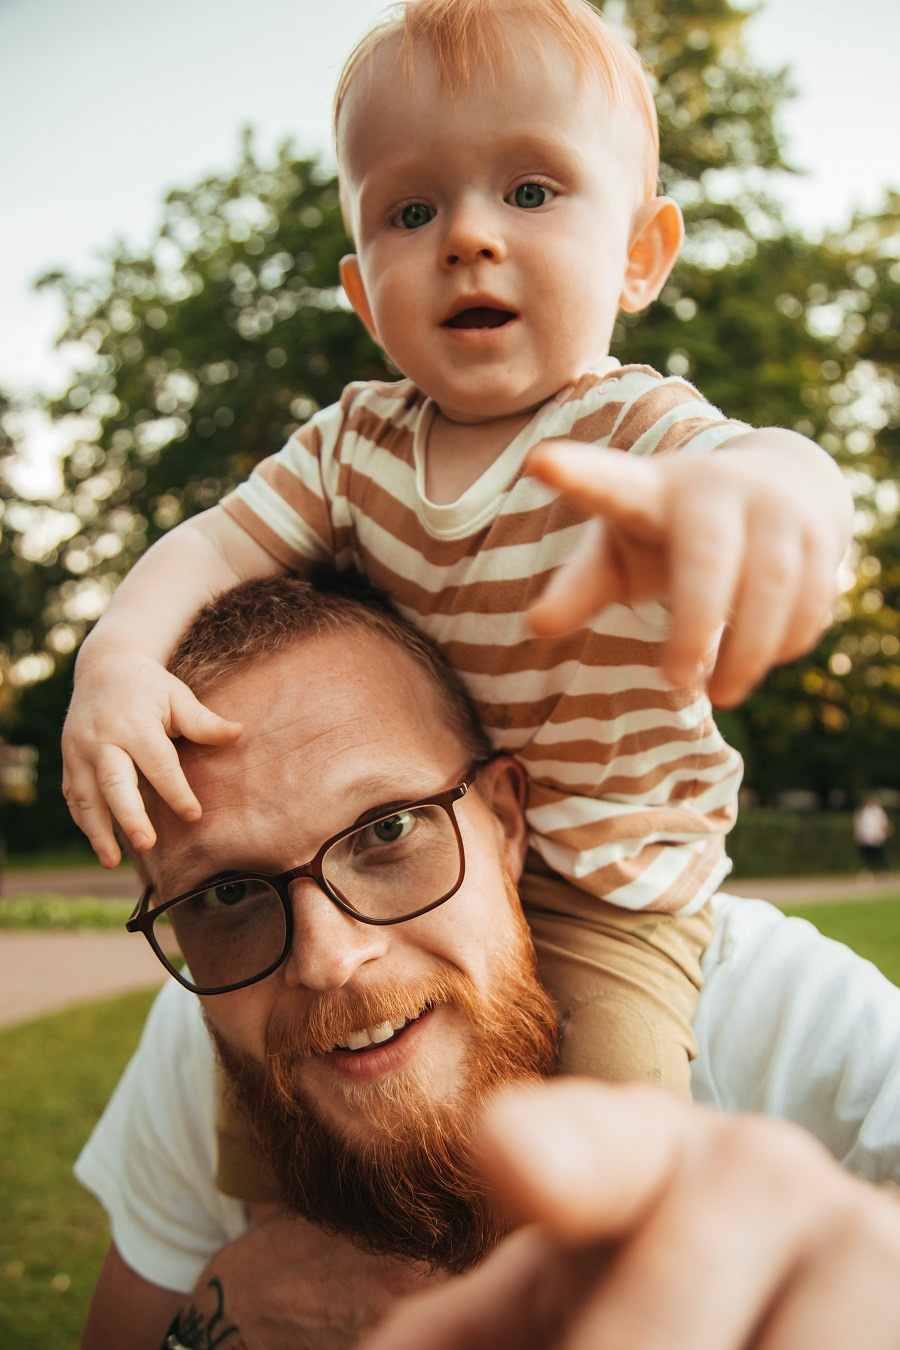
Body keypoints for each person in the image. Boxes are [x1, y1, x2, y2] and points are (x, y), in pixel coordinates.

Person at [62, 0, 853, 1110]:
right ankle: (285, 1212)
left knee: (611, 1125)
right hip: (397, 866)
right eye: (411, 209)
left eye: (530, 192)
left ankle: (607, 1221)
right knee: (266, 1106)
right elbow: (214, 543)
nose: (467, 236)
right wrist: (117, 658)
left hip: (611, 881)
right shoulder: (352, 447)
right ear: (362, 294)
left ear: (638, 256)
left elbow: (773, 466)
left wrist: (772, 498)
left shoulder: (635, 434)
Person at [75, 575, 900, 1349]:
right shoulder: (196, 1043)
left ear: (505, 822)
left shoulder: (788, 1021)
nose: (329, 959)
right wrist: (223, 1320)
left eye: (388, 830)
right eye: (227, 895)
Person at [854, 795, 892, 873]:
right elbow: (859, 824)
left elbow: (884, 823)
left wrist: (886, 830)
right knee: (867, 856)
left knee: (879, 855)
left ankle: (882, 870)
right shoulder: (862, 811)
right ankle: (868, 870)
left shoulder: (878, 811)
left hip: (877, 837)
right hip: (865, 838)